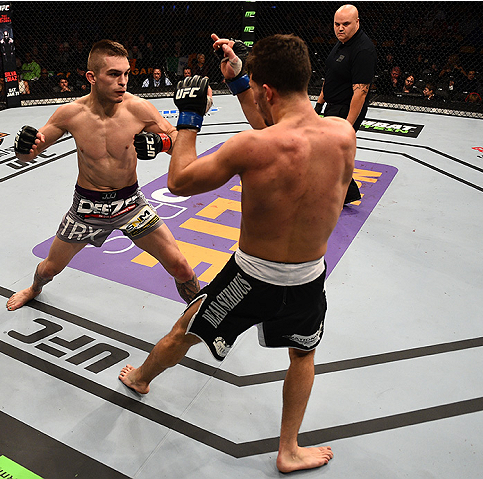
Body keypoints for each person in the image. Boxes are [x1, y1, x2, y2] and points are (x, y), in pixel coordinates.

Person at [119, 32, 354, 474]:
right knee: (303, 355)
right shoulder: (342, 135)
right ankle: (289, 449)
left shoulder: (251, 148)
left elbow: (180, 181)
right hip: (309, 279)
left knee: (186, 329)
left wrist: (187, 118)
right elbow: (280, 129)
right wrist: (242, 79)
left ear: (267, 91)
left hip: (250, 278)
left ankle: (139, 378)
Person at [6, 39, 200, 311]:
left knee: (180, 265)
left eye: (126, 74)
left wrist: (162, 144)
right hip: (87, 208)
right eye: (114, 74)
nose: (123, 82)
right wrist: (23, 148)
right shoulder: (71, 114)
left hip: (130, 203)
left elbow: (180, 142)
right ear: (92, 77)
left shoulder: (139, 109)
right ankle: (33, 289)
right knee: (50, 269)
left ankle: (204, 317)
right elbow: (29, 154)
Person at [313, 4, 375, 205]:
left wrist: (347, 125)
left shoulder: (363, 49)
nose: (340, 28)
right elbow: (330, 75)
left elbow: (360, 92)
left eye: (346, 24)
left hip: (346, 108)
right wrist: (319, 104)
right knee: (330, 152)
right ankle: (346, 193)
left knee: (330, 151)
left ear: (357, 23)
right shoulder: (341, 43)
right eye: (337, 24)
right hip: (332, 105)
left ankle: (343, 193)